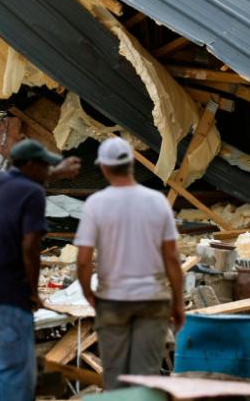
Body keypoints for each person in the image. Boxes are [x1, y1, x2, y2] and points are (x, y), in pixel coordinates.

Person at [0, 139, 81, 401]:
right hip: (7, 295)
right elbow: (30, 246)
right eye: (44, 166)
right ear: (30, 165)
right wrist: (33, 293)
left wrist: (55, 173)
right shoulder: (33, 194)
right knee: (15, 372)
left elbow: (27, 181)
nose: (46, 172)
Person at [75, 136, 185, 390]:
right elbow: (172, 258)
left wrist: (89, 294)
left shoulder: (96, 204)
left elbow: (83, 261)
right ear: (132, 163)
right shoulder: (157, 202)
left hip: (112, 300)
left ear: (103, 168)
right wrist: (178, 302)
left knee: (115, 379)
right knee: (145, 378)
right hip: (153, 301)